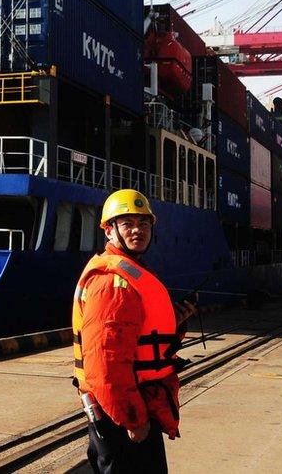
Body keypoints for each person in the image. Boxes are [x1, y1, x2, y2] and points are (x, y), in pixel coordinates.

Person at [71, 189, 197, 473]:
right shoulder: (112, 282)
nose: (137, 230)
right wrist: (134, 419)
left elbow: (136, 339)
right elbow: (105, 364)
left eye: (144, 223)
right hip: (122, 413)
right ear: (109, 230)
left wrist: (174, 322)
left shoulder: (130, 272)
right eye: (127, 223)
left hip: (137, 402)